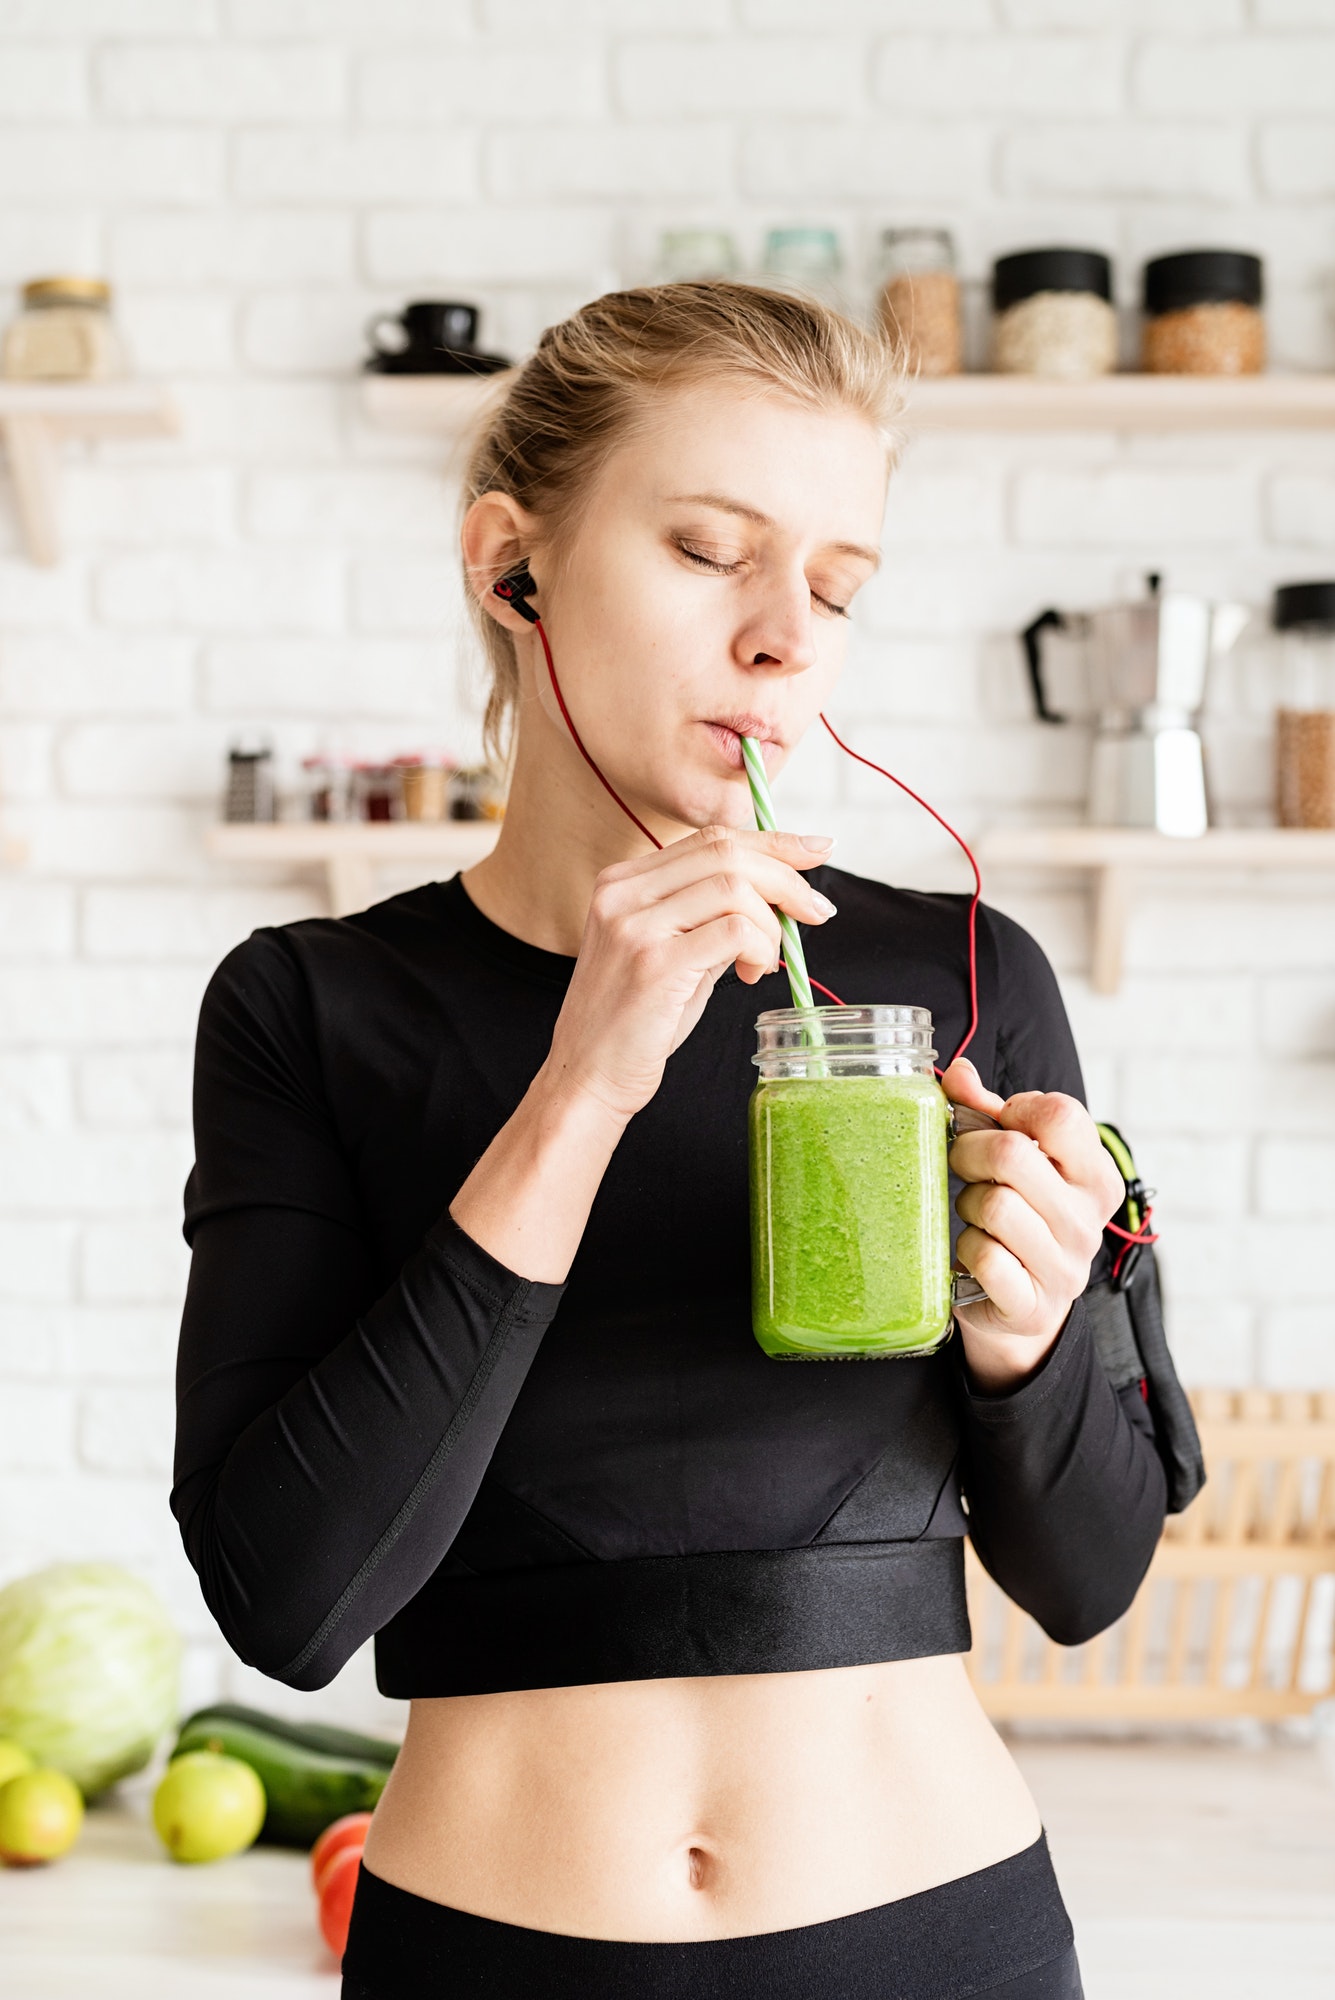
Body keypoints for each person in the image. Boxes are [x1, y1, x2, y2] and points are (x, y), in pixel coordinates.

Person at [173, 283, 1171, 2000]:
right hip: (489, 1956)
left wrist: (1029, 1339)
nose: (788, 632)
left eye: (838, 587)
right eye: (715, 549)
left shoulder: (954, 979)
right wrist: (578, 1090)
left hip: (941, 1944)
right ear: (514, 562)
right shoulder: (311, 1006)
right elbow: (288, 1598)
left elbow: (1091, 1578)